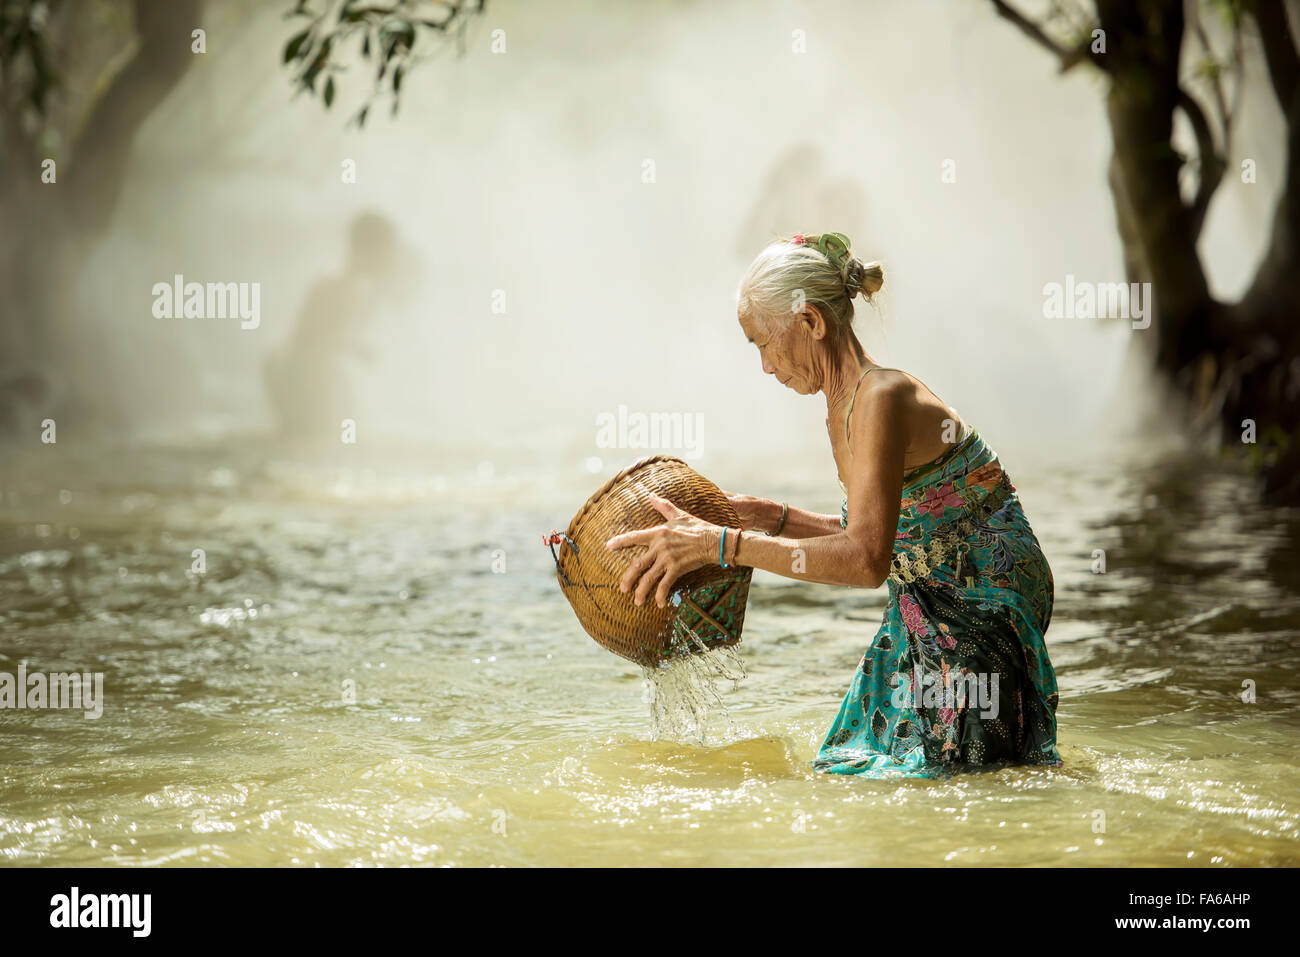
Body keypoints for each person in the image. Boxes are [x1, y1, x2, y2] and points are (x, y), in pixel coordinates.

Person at [606, 232, 1061, 777]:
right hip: (925, 590)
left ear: (811, 323)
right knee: (851, 763)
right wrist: (769, 517)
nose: (765, 365)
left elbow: (866, 561)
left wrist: (722, 545)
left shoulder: (880, 397)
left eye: (762, 342)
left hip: (982, 594)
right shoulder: (840, 404)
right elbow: (877, 531)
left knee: (964, 780)